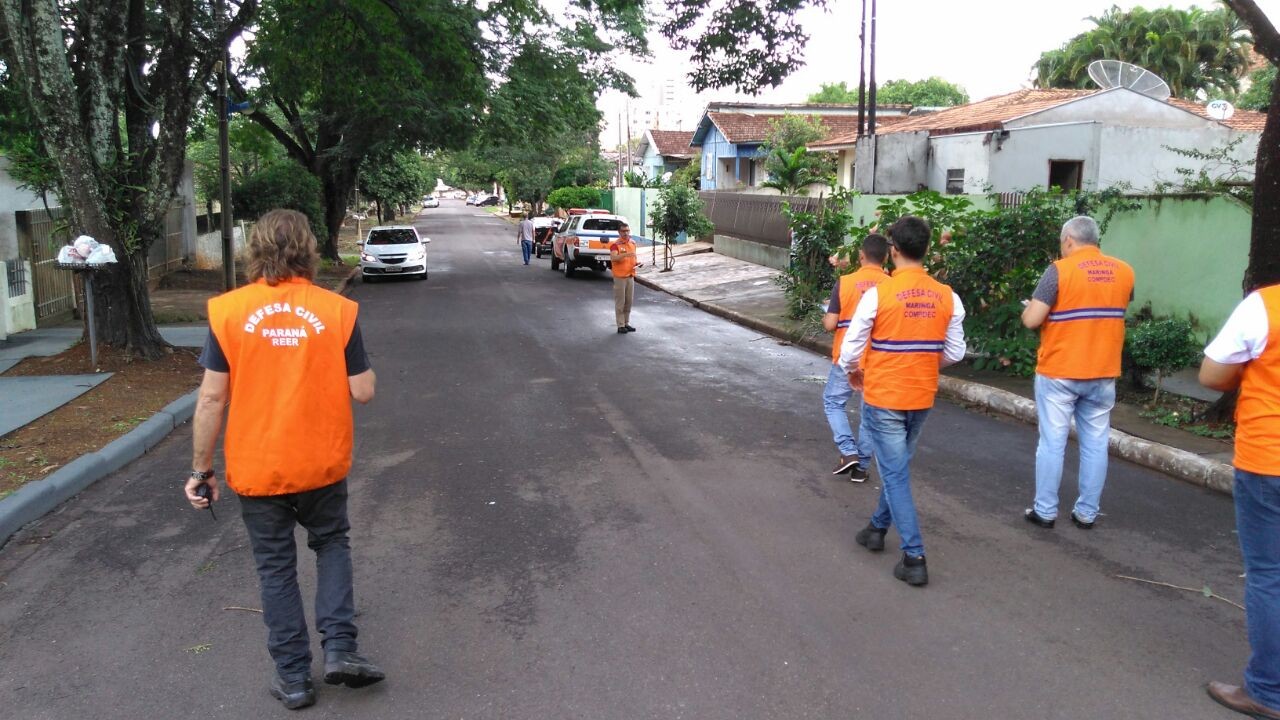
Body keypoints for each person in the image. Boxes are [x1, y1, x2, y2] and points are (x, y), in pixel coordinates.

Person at [185, 209, 384, 710]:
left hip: (258, 467)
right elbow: (363, 391)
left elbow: (211, 399)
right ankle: (340, 648)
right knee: (331, 544)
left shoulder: (229, 311)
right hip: (320, 461)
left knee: (275, 569)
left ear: (255, 250)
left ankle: (294, 678)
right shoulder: (336, 311)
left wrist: (201, 470)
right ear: (309, 251)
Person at [838, 216, 966, 587]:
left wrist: (852, 371)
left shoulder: (879, 295)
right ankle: (876, 529)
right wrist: (922, 360)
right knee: (897, 467)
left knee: (894, 473)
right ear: (926, 250)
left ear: (894, 251)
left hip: (885, 395)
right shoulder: (948, 296)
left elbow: (851, 349)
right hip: (921, 394)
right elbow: (955, 352)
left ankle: (914, 556)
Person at [1020, 216, 1134, 530]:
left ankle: (1045, 511)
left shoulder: (1059, 270)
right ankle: (1086, 513)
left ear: (1069, 239)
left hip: (1060, 371)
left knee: (1052, 443)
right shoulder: (1125, 271)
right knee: (1096, 444)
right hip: (1103, 371)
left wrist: (1030, 308)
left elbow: (1032, 320)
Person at [1200, 287, 1280, 719]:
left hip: (1270, 458)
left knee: (1270, 574)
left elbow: (1212, 375)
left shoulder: (1267, 306)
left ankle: (1268, 691)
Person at [822, 234, 890, 480]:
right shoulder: (892, 286)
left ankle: (848, 450)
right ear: (886, 258)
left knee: (833, 402)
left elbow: (830, 324)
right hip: (878, 359)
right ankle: (861, 468)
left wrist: (825, 313)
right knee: (869, 414)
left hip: (847, 358)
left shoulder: (845, 282)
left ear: (861, 255)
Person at [609, 223, 641, 334]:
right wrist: (624, 255)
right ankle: (620, 325)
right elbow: (613, 258)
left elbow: (633, 258)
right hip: (620, 277)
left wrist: (637, 263)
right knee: (620, 302)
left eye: (627, 231)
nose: (626, 233)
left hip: (630, 275)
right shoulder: (615, 245)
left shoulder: (632, 243)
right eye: (623, 231)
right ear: (619, 232)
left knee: (629, 301)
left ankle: (626, 323)